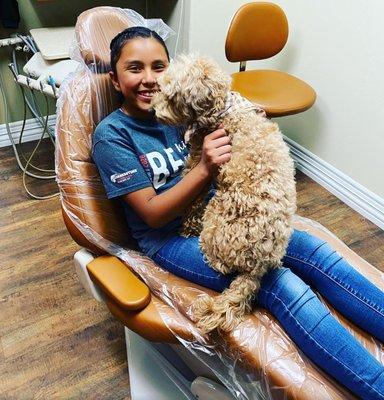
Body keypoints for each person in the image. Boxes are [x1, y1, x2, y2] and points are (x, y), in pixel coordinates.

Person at [92, 26, 384, 399]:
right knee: (280, 284)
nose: (149, 79)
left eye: (158, 66)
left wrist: (243, 119)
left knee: (315, 252)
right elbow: (152, 215)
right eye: (135, 68)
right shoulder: (113, 135)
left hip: (225, 215)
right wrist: (204, 170)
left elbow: (224, 111)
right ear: (115, 79)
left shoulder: (184, 106)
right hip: (172, 239)